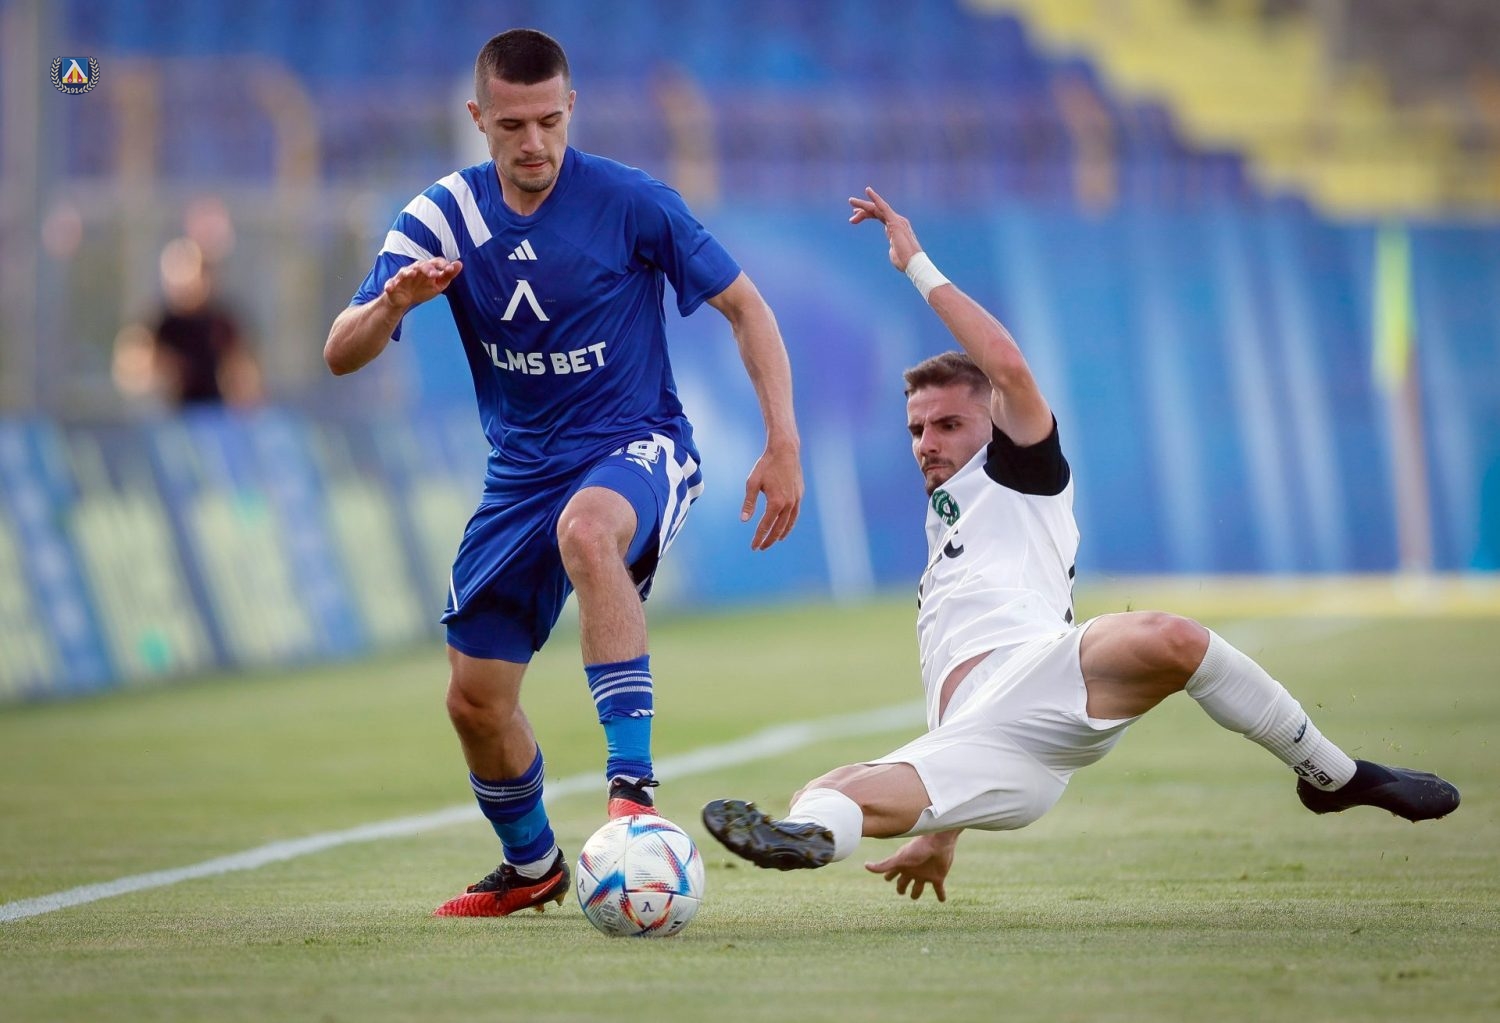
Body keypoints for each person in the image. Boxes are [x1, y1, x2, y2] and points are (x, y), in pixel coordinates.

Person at [701, 187, 1459, 901]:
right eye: (917, 429)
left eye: (948, 424)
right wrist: (940, 834)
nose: (927, 441)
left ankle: (1333, 775)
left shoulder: (1023, 472)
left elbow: (1006, 365)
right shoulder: (947, 537)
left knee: (1171, 637)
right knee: (833, 791)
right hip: (993, 752)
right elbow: (966, 692)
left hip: (1047, 679)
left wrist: (916, 265)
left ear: (995, 421)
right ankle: (807, 835)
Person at [325, 29, 802, 917]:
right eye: (512, 125)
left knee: (587, 530)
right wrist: (392, 302)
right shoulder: (442, 216)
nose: (534, 141)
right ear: (479, 118)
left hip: (636, 442)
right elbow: (340, 352)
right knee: (475, 701)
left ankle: (633, 794)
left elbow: (747, 307)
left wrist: (783, 441)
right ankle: (533, 864)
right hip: (520, 474)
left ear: (571, 108)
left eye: (549, 120)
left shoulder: (629, 201)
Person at [113, 236, 263, 409]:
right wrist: (161, 374)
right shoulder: (155, 327)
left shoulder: (223, 324)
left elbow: (247, 377)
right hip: (172, 416)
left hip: (217, 414)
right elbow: (130, 376)